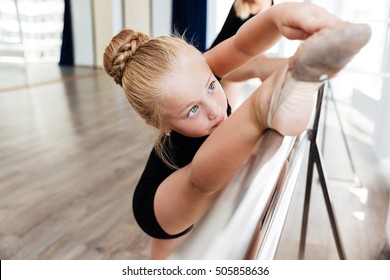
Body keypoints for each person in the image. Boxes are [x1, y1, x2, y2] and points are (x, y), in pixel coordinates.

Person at [103, 2, 371, 259]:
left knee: (243, 192)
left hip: (212, 169)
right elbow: (199, 178)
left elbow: (242, 46)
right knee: (195, 191)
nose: (215, 109)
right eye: (192, 110)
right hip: (160, 202)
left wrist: (280, 17)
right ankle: (264, 105)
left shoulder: (198, 69)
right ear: (159, 125)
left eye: (211, 86)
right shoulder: (189, 129)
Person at [209, 0, 287, 110]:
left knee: (226, 117)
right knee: (259, 64)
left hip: (238, 63)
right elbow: (246, 45)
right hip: (218, 61)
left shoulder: (271, 6)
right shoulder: (240, 4)